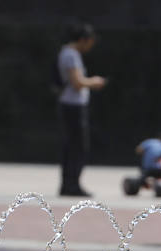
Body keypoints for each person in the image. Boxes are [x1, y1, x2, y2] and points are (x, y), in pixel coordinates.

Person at [56, 22, 107, 197]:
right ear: (84, 39)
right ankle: (71, 185)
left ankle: (69, 184)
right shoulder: (71, 54)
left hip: (71, 105)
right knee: (77, 147)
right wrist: (94, 81)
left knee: (72, 146)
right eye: (90, 41)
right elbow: (77, 82)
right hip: (73, 106)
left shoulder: (67, 53)